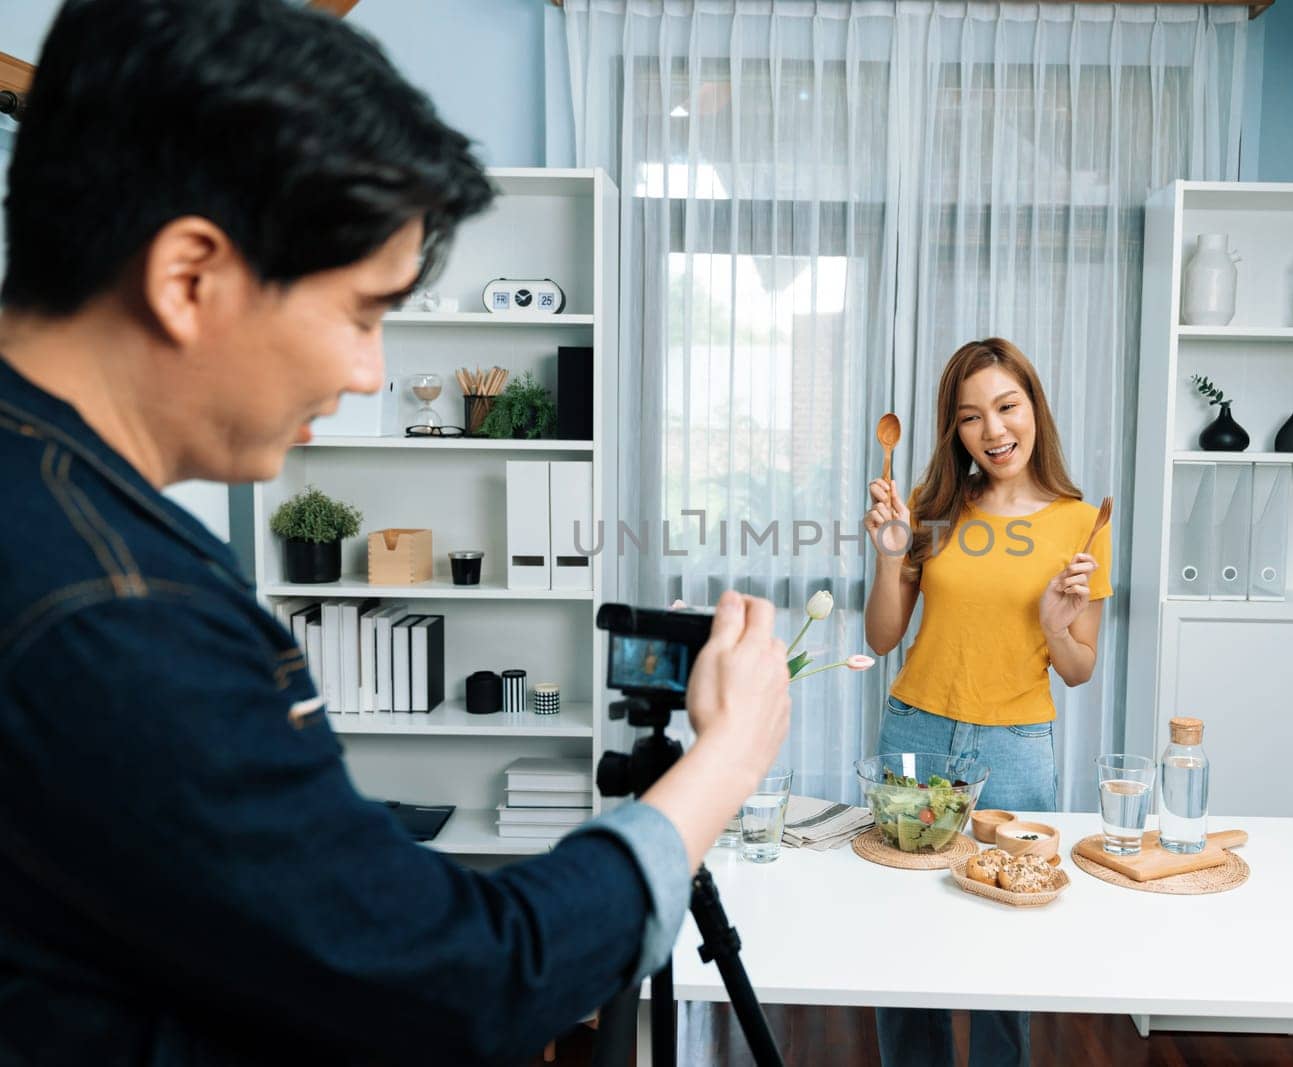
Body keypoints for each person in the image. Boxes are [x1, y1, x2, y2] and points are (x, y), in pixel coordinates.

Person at [0, 1, 791, 1063]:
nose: (368, 372)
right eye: (364, 314)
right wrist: (730, 753)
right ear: (190, 277)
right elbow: (466, 982)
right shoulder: (118, 611)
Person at [862, 337, 1112, 1067]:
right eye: (972, 417)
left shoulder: (1079, 521)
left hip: (1016, 750)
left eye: (1007, 407)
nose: (994, 431)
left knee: (1011, 945)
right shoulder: (931, 507)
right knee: (909, 943)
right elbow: (882, 637)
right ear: (955, 429)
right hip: (917, 733)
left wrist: (1055, 627)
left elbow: (1079, 668)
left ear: (1034, 407)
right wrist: (888, 554)